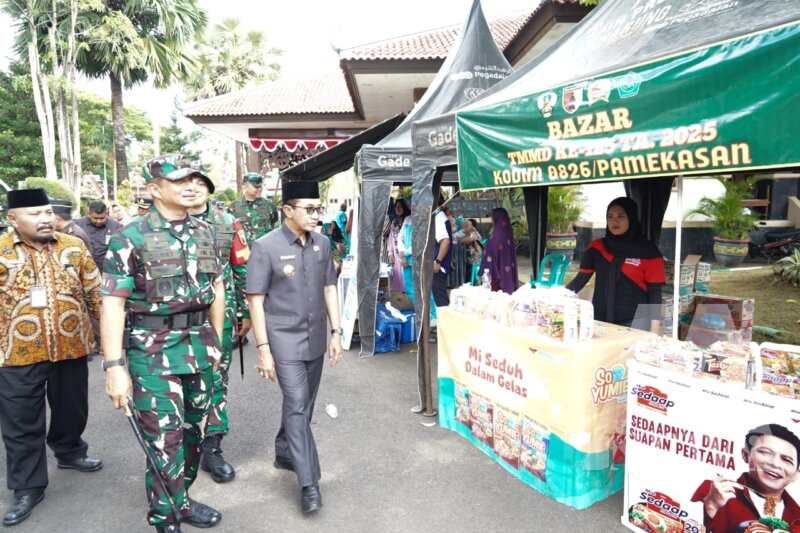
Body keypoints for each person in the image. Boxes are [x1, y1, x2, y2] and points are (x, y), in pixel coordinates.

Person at [101, 158, 226, 533]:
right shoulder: (130, 236)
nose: (192, 186)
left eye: (196, 180)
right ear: (154, 189)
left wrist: (217, 342)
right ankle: (164, 517)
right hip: (152, 351)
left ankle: (180, 499)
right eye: (180, 181)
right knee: (163, 439)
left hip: (200, 346)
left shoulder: (206, 231)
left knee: (194, 431)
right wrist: (114, 367)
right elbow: (113, 303)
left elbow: (217, 286)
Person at [0, 189, 103, 527]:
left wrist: (110, 339)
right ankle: (28, 487)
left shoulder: (73, 247)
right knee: (21, 423)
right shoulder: (1, 250)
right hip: (15, 354)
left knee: (72, 408)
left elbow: (96, 293)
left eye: (47, 212)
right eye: (35, 214)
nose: (45, 219)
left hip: (71, 346)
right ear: (12, 219)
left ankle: (70, 451)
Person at [246, 179, 342, 515]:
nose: (317, 215)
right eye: (310, 209)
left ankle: (284, 449)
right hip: (283, 340)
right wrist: (263, 348)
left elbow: (329, 288)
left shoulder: (323, 243)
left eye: (319, 208)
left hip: (315, 338)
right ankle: (309, 482)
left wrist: (336, 332)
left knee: (304, 404)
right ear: (288, 210)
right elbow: (255, 300)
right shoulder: (265, 246)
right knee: (298, 405)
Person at [187, 170, 251, 483]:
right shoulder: (165, 224)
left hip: (219, 317)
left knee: (215, 380)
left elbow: (242, 268)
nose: (194, 189)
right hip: (174, 321)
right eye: (188, 184)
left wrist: (245, 312)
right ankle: (182, 446)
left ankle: (212, 447)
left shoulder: (228, 223)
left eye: (201, 184)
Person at [566, 197, 665, 331]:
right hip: (600, 319)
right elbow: (580, 280)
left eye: (621, 216)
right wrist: (557, 297)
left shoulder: (649, 251)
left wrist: (654, 331)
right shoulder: (596, 248)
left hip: (636, 321)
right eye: (610, 216)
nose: (614, 221)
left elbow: (655, 293)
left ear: (631, 218)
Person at [691, 424, 800, 533]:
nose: (775, 464)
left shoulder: (797, 516)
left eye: (786, 460)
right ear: (745, 455)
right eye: (765, 452)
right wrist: (711, 507)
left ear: (797, 473)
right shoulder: (711, 492)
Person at [75, 200, 123, 273]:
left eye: (102, 218)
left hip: (107, 270)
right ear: (89, 214)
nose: (99, 221)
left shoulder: (116, 227)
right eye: (95, 218)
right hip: (84, 270)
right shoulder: (78, 225)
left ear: (106, 213)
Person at [230, 172, 278, 244]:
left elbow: (275, 227)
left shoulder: (270, 205)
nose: (259, 189)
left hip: (266, 248)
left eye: (260, 186)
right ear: (244, 186)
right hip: (245, 249)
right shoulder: (234, 207)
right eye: (256, 187)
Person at [479, 208, 518, 294]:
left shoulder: (496, 236)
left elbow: (490, 253)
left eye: (492, 217)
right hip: (506, 274)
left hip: (495, 279)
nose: (491, 220)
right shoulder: (508, 234)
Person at [432, 194, 452, 308]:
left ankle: (445, 318)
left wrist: (438, 261)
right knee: (438, 295)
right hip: (438, 263)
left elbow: (445, 241)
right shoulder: (437, 216)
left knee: (440, 297)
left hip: (438, 265)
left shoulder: (438, 217)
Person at [387, 199, 410, 293]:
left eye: (400, 206)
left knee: (408, 281)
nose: (398, 208)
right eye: (396, 207)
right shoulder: (394, 222)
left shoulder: (409, 220)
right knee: (399, 284)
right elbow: (390, 239)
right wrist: (390, 253)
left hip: (407, 255)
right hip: (396, 257)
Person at [455, 218, 483, 284]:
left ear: (473, 227)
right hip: (464, 256)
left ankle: (474, 280)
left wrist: (463, 239)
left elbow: (472, 239)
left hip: (473, 257)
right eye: (465, 224)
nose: (465, 225)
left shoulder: (475, 233)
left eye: (468, 224)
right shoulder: (462, 231)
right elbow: (456, 239)